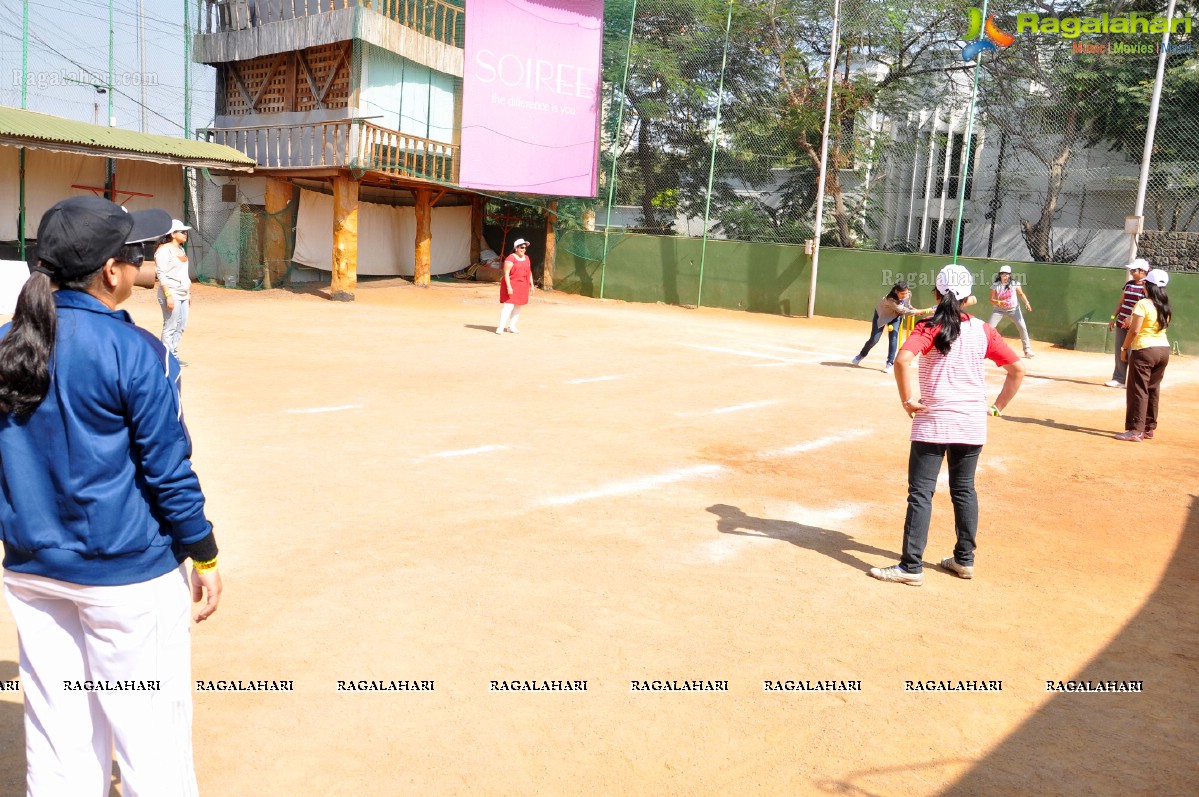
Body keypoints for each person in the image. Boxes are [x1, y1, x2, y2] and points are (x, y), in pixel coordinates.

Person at [0, 196, 221, 796]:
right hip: (126, 579)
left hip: (33, 571)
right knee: (151, 742)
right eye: (133, 254)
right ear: (111, 271)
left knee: (59, 743)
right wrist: (203, 553)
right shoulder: (137, 351)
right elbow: (169, 471)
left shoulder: (5, 344)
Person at [869, 264, 1025, 586]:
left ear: (937, 293)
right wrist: (996, 408)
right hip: (970, 425)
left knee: (921, 493)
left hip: (933, 422)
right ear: (969, 297)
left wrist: (906, 399)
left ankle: (911, 567)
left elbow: (902, 361)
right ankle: (964, 560)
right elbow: (1017, 370)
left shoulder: (928, 327)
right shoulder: (983, 329)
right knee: (964, 490)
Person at [1116, 268, 1172, 441]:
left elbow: (1134, 331)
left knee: (1138, 389)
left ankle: (1135, 430)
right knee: (1152, 389)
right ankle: (1148, 428)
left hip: (1144, 351)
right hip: (1163, 350)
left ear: (1148, 286)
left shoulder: (1143, 304)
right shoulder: (1165, 305)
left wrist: (1124, 348)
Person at [851, 280, 930, 373]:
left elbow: (908, 306)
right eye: (902, 294)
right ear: (896, 292)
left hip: (895, 316)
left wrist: (916, 311)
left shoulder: (908, 294)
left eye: (906, 293)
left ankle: (889, 363)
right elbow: (905, 310)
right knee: (874, 340)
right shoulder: (890, 299)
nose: (905, 295)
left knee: (893, 339)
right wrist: (924, 311)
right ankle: (861, 355)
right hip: (882, 316)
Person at [1105, 258, 1149, 388]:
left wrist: (1131, 319)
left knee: (1132, 353)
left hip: (1135, 326)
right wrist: (1113, 317)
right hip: (1121, 324)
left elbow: (1145, 306)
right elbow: (1121, 302)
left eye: (1133, 270)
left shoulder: (1147, 287)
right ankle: (1119, 379)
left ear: (1142, 271)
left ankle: (1132, 381)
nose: (1131, 272)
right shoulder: (1129, 284)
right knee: (1120, 352)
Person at [156, 219, 192, 365]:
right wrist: (168, 295)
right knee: (170, 326)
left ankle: (173, 354)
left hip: (183, 293)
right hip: (171, 293)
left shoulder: (181, 249)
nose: (185, 234)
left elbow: (183, 274)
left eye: (185, 232)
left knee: (181, 325)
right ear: (173, 234)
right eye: (182, 232)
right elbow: (161, 274)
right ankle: (166, 358)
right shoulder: (164, 250)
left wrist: (188, 293)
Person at [987, 264, 1034, 358]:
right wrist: (999, 302)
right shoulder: (995, 286)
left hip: (1014, 309)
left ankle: (1027, 350)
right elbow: (991, 299)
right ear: (1000, 274)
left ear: (1010, 275)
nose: (1005, 276)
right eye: (1003, 274)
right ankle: (985, 349)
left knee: (1022, 328)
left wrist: (1027, 302)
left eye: (1007, 274)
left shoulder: (1015, 283)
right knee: (989, 328)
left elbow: (1021, 294)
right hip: (998, 310)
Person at [496, 238, 533, 335]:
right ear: (516, 248)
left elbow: (529, 272)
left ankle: (512, 326)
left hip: (523, 286)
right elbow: (506, 273)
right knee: (508, 306)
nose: (524, 249)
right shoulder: (510, 258)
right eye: (522, 247)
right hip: (512, 285)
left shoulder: (527, 258)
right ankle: (500, 327)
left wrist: (531, 284)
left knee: (518, 306)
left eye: (525, 247)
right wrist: (509, 287)